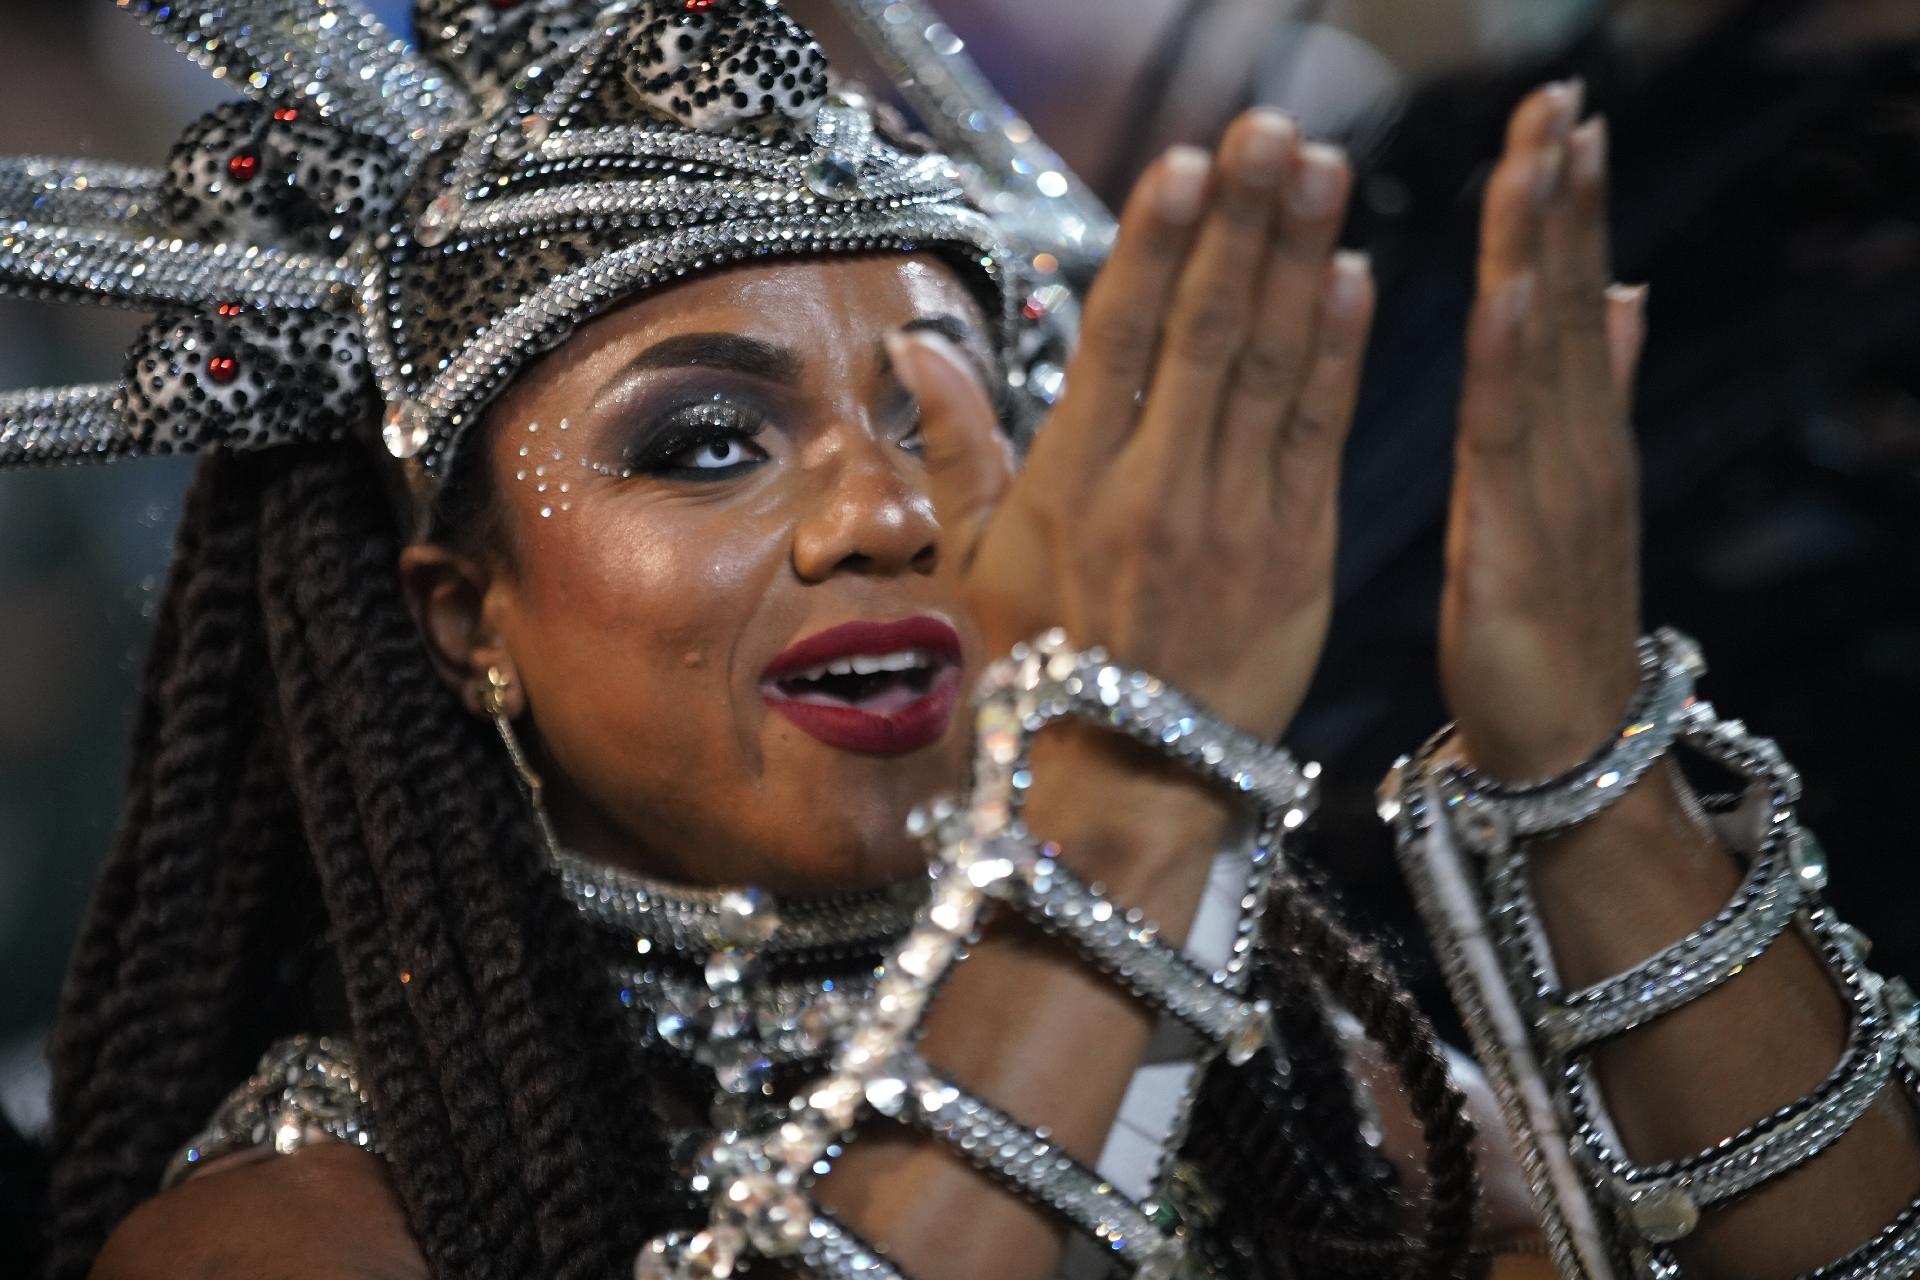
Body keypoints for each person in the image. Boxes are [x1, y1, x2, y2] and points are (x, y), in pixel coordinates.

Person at [6, 3, 1916, 1278]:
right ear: (463, 622)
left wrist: (1582, 751)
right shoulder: (301, 1231)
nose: (885, 512)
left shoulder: (1312, 1098)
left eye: (943, 411)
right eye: (708, 442)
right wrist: (1138, 798)